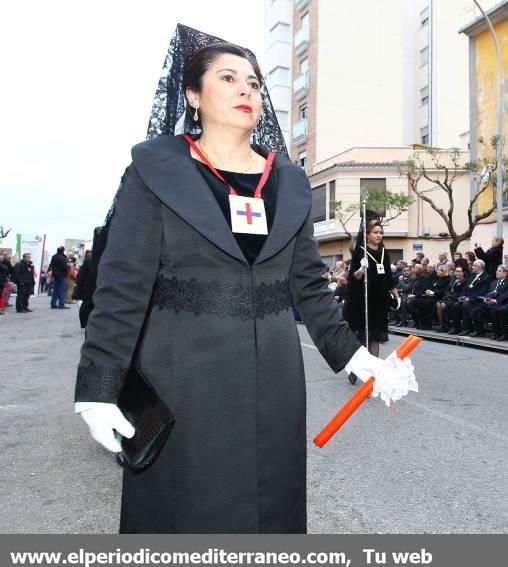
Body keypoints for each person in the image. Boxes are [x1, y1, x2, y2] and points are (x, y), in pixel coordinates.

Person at [74, 35, 415, 534]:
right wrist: (97, 390)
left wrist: (359, 360)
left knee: (269, 509)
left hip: (275, 378)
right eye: (228, 79)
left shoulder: (289, 182)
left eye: (254, 83)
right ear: (193, 96)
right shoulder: (155, 171)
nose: (246, 91)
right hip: (182, 376)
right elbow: (123, 286)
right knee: (188, 512)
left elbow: (310, 287)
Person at [344, 218, 398, 355]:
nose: (379, 235)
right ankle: (357, 368)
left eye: (381, 232)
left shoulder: (384, 252)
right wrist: (361, 270)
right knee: (362, 336)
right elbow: (353, 276)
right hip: (363, 299)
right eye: (375, 232)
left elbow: (388, 276)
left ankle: (373, 372)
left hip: (380, 299)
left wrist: (395, 294)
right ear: (368, 234)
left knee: (375, 336)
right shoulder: (360, 251)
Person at [469, 265, 508, 339]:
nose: (496, 272)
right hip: (490, 303)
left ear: (505, 273)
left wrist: (495, 300)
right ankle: (479, 331)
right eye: (497, 270)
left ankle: (498, 333)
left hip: (501, 303)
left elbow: (506, 295)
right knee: (477, 309)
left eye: (499, 271)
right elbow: (488, 293)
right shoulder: (494, 282)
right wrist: (486, 298)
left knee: (494, 310)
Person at [455, 259, 492, 336]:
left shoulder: (486, 277)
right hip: (468, 299)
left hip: (478, 300)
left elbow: (482, 292)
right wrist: (462, 296)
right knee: (456, 305)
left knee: (466, 305)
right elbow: (465, 288)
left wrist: (469, 298)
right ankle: (457, 328)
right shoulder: (472, 276)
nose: (472, 267)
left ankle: (468, 329)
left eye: (474, 265)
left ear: (479, 267)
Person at [440, 266, 467, 333]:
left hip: (456, 299)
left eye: (459, 271)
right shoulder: (453, 279)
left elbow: (461, 292)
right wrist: (447, 295)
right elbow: (447, 289)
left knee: (448, 305)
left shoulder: (465, 281)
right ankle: (444, 325)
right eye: (456, 271)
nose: (457, 273)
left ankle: (452, 326)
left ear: (463, 273)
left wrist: (451, 297)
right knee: (439, 304)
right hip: (449, 298)